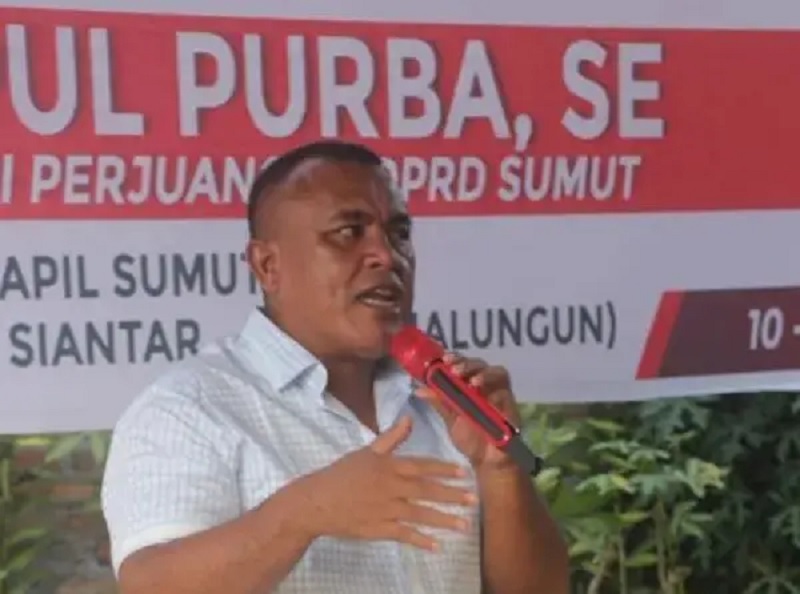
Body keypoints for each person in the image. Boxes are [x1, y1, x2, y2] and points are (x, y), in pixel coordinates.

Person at [101, 140, 570, 594]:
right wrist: (303, 513)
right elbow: (151, 585)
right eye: (348, 233)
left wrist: (500, 471)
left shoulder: (447, 404)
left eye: (399, 234)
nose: (386, 256)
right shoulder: (189, 408)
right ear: (268, 266)